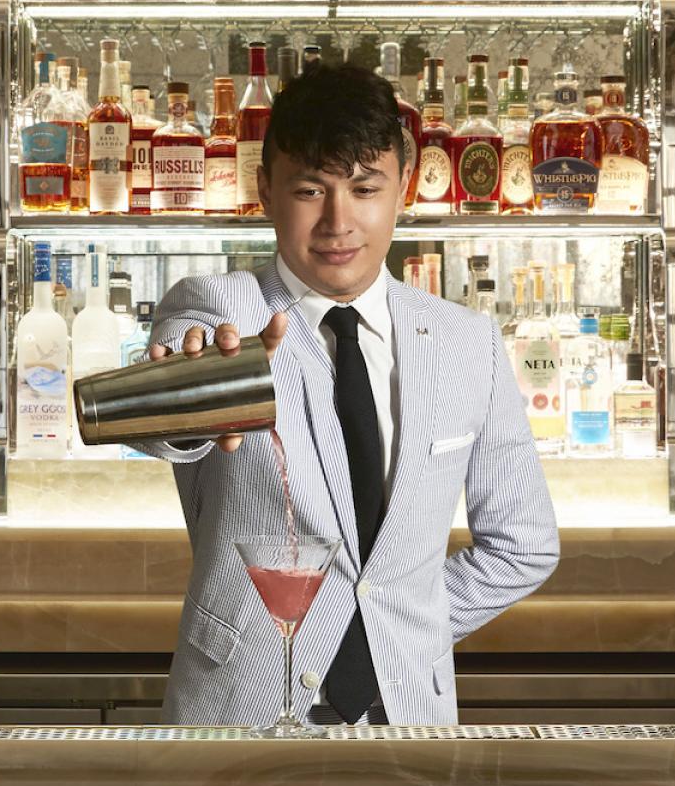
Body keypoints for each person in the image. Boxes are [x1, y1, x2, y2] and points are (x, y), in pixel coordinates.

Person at [142, 61, 558, 726]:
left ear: (406, 188)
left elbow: (524, 542)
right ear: (264, 190)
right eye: (310, 190)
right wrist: (188, 391)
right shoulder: (219, 308)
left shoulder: (465, 342)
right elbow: (166, 421)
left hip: (408, 719)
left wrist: (391, 623)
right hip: (239, 714)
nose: (339, 221)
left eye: (365, 188)